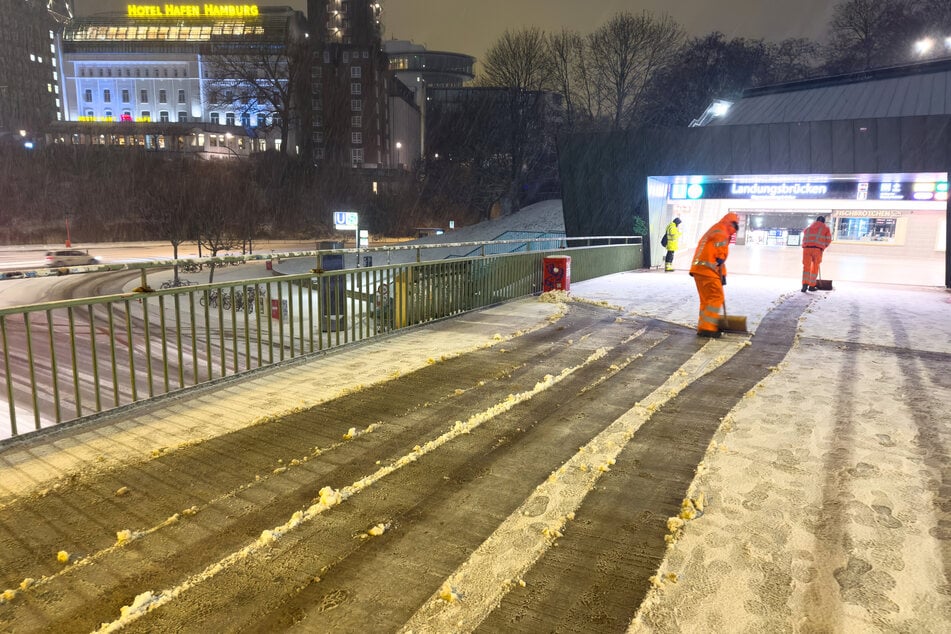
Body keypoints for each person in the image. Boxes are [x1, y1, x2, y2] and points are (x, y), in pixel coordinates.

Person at [689, 212, 739, 338]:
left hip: (699, 269)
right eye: (734, 231)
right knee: (716, 296)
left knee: (707, 300)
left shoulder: (716, 228)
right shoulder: (722, 232)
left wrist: (723, 275)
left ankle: (704, 326)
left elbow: (713, 253)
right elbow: (720, 253)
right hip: (708, 270)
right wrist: (722, 258)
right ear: (732, 225)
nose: (733, 234)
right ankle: (708, 328)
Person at [801, 215, 832, 292]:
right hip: (817, 250)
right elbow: (828, 240)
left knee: (806, 267)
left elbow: (804, 237)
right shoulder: (826, 228)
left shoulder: (808, 228)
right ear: (823, 222)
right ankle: (811, 286)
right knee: (815, 267)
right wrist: (823, 247)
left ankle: (804, 285)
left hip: (806, 249)